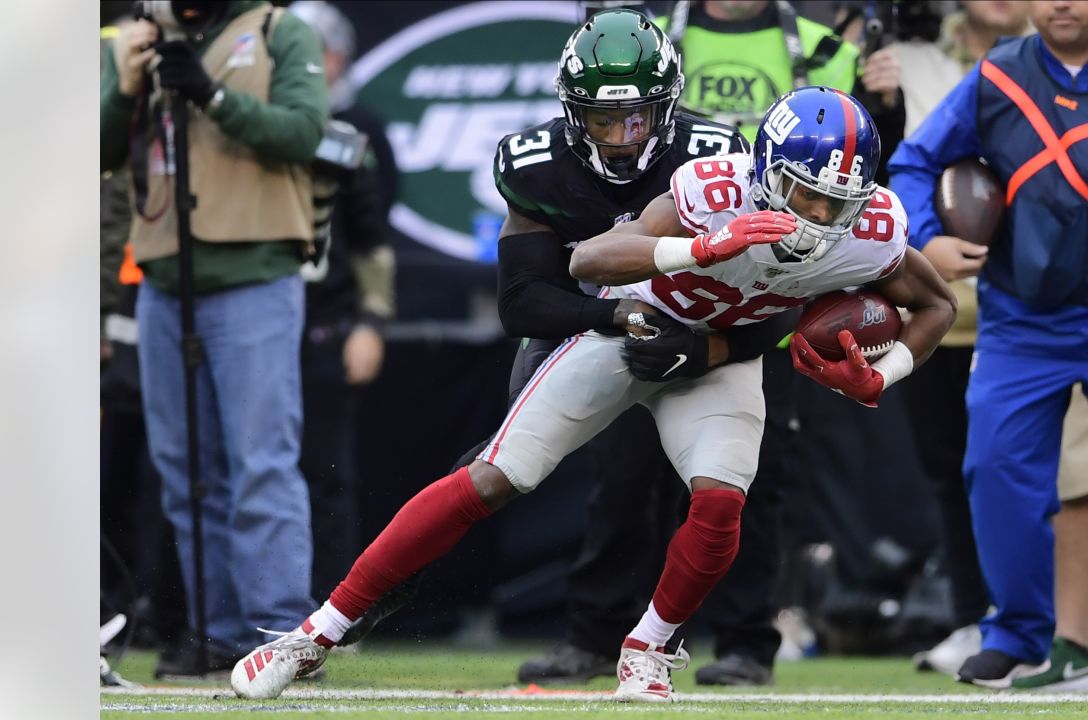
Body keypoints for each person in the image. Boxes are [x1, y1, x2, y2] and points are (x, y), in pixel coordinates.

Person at [229, 85, 956, 703]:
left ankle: (648, 647)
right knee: (494, 477)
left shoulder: (874, 230)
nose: (821, 220)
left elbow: (936, 307)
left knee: (722, 499)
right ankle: (314, 634)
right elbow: (590, 257)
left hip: (720, 359)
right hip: (632, 330)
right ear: (767, 173)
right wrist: (703, 248)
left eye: (839, 202)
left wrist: (882, 376)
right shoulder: (716, 189)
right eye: (805, 196)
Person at [334, 9, 794, 675]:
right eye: (603, 119)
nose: (620, 136)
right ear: (570, 111)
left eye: (636, 116)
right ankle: (573, 633)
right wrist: (618, 320)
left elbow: (775, 297)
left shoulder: (719, 159)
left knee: (733, 485)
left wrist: (705, 350)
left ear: (667, 107)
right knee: (513, 468)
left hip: (707, 330)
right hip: (598, 325)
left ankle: (729, 643)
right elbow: (523, 303)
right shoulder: (538, 166)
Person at [515, 0, 893, 687]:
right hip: (684, 257)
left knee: (751, 478)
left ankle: (748, 641)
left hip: (775, 282)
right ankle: (599, 633)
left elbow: (864, 154)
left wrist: (888, 103)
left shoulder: (821, 44)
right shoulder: (661, 37)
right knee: (623, 475)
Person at [888, 0, 1088, 695]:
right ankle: (1018, 638)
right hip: (1022, 325)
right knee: (994, 474)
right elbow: (913, 162)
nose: (1061, 2)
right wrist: (926, 237)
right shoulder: (998, 75)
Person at [100, 1, 328, 674]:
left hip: (256, 268)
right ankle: (217, 629)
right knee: (184, 471)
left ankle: (280, 634)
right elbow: (98, 154)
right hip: (166, 275)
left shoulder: (278, 29)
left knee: (260, 461)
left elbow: (305, 132)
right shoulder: (141, 41)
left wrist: (215, 96)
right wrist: (125, 87)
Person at [288, 0, 398, 603]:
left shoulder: (350, 133)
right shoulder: (248, 123)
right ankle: (198, 613)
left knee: (327, 470)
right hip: (247, 307)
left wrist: (371, 319)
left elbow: (374, 231)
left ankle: (329, 608)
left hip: (323, 318)